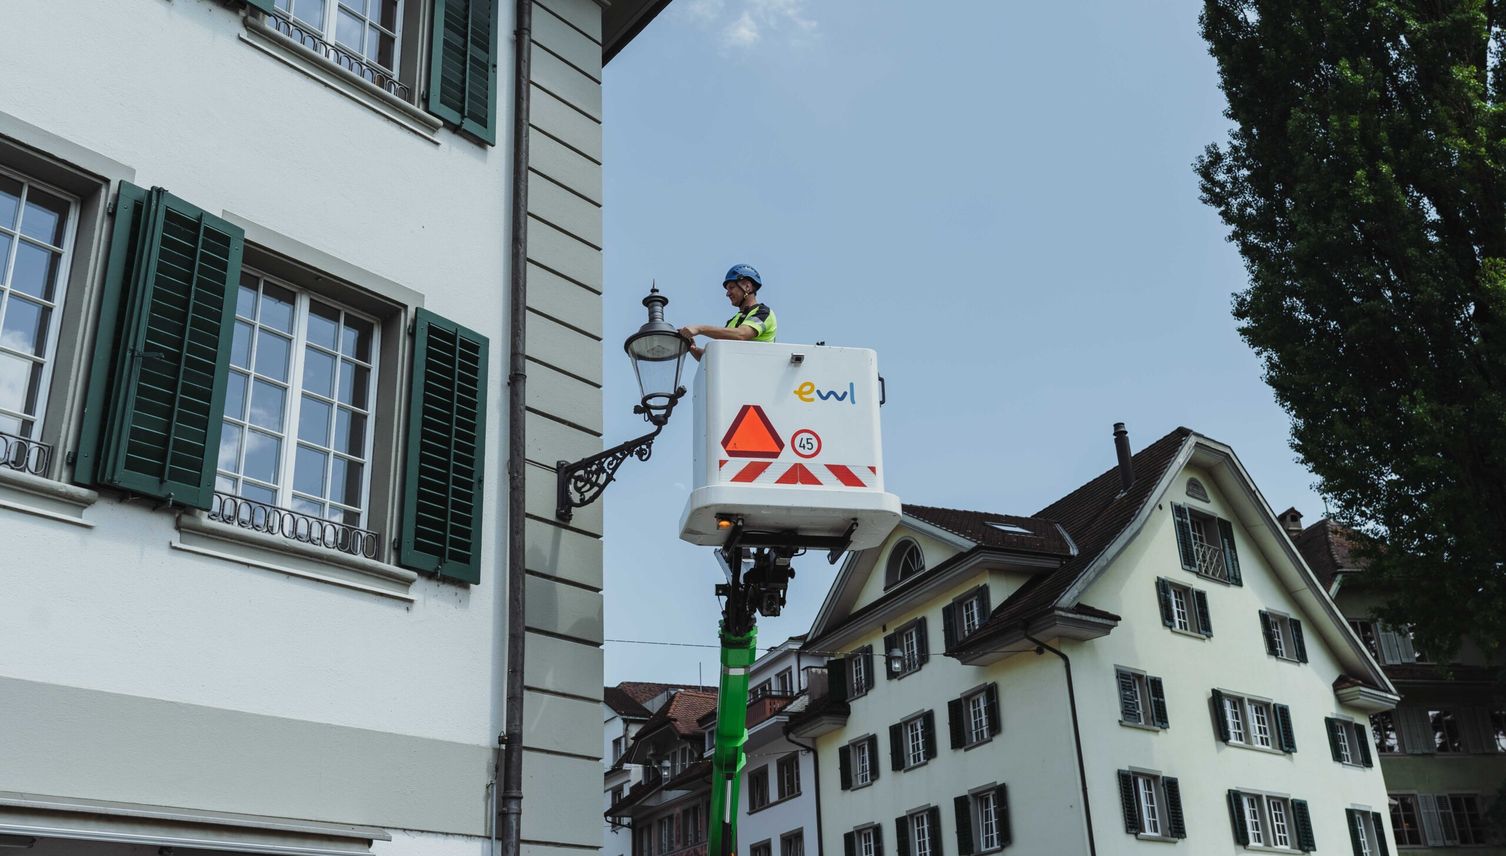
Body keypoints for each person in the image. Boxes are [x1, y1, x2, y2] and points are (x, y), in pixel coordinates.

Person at [679, 264, 777, 360]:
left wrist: (700, 329)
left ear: (747, 287)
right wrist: (691, 347)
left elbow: (742, 334)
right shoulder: (733, 321)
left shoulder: (763, 313)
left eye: (731, 287)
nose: (727, 293)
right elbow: (714, 359)